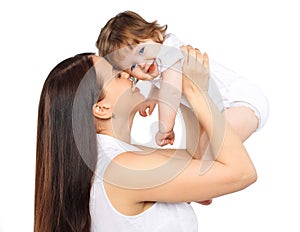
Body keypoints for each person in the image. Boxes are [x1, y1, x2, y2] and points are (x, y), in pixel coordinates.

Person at [34, 46, 257, 232]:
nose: (129, 74)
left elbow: (200, 159)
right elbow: (241, 172)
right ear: (102, 108)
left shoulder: (114, 162)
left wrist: (176, 86)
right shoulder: (124, 169)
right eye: (118, 75)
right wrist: (195, 90)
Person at [95, 10, 269, 148]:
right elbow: (162, 84)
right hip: (223, 110)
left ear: (155, 35)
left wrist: (165, 128)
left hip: (241, 102)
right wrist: (151, 98)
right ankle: (203, 191)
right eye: (132, 66)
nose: (141, 64)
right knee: (203, 156)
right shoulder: (158, 65)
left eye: (141, 51)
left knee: (212, 153)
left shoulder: (169, 51)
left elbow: (170, 91)